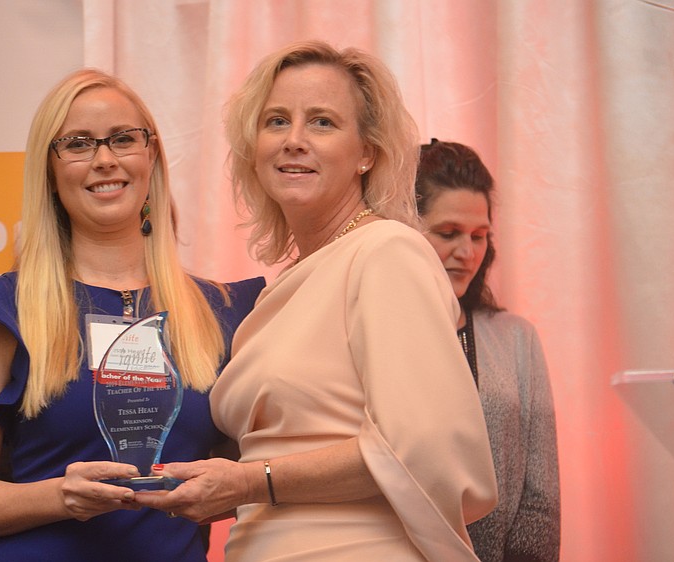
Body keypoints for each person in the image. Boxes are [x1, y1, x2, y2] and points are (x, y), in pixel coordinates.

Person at [131, 40, 498, 561]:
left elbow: (419, 448)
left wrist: (250, 483)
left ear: (367, 152)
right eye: (276, 121)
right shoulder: (287, 285)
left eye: (322, 122)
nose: (294, 140)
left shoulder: (386, 251)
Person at [0, 68, 265, 561]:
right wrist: (60, 497)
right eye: (78, 144)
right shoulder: (4, 309)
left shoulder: (227, 312)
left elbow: (255, 477)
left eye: (122, 139)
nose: (105, 160)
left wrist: (227, 492)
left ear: (150, 155)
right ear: (49, 169)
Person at [415, 139, 561, 561]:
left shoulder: (516, 339)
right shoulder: (369, 331)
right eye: (448, 233)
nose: (467, 252)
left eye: (480, 236)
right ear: (404, 229)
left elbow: (540, 500)